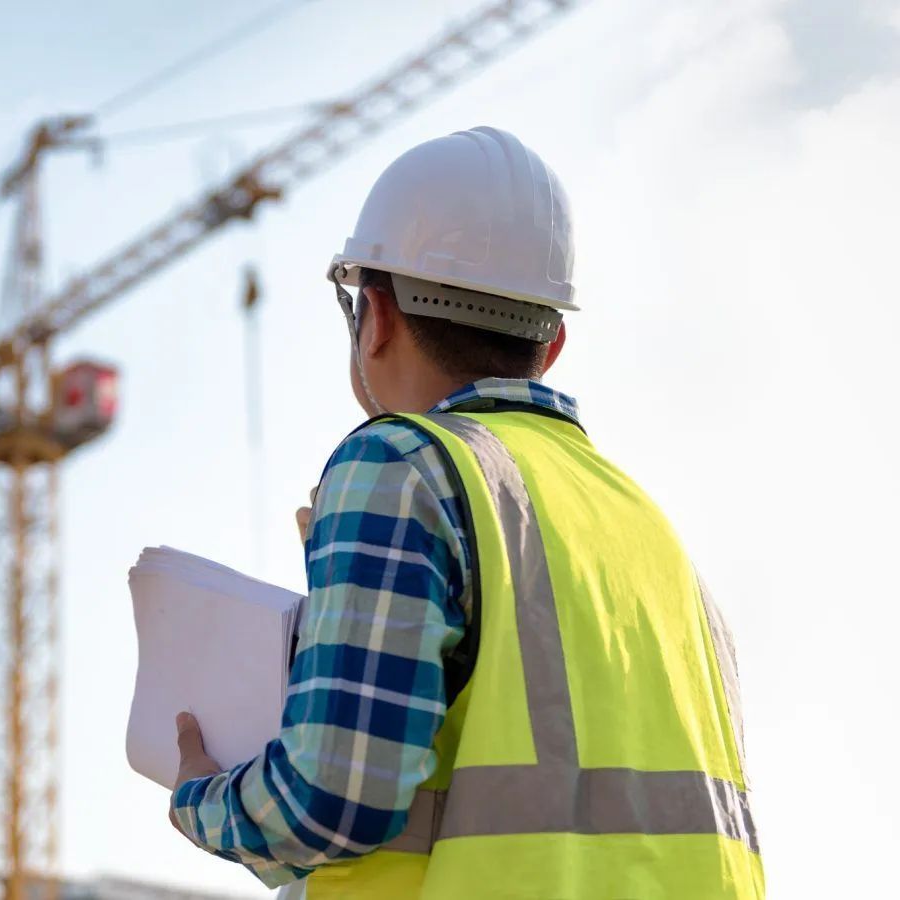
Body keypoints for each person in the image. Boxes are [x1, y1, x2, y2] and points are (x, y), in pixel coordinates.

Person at [167, 127, 763, 899]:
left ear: (373, 316)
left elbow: (330, 804)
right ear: (551, 346)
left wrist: (199, 798)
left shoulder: (398, 466)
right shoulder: (650, 529)